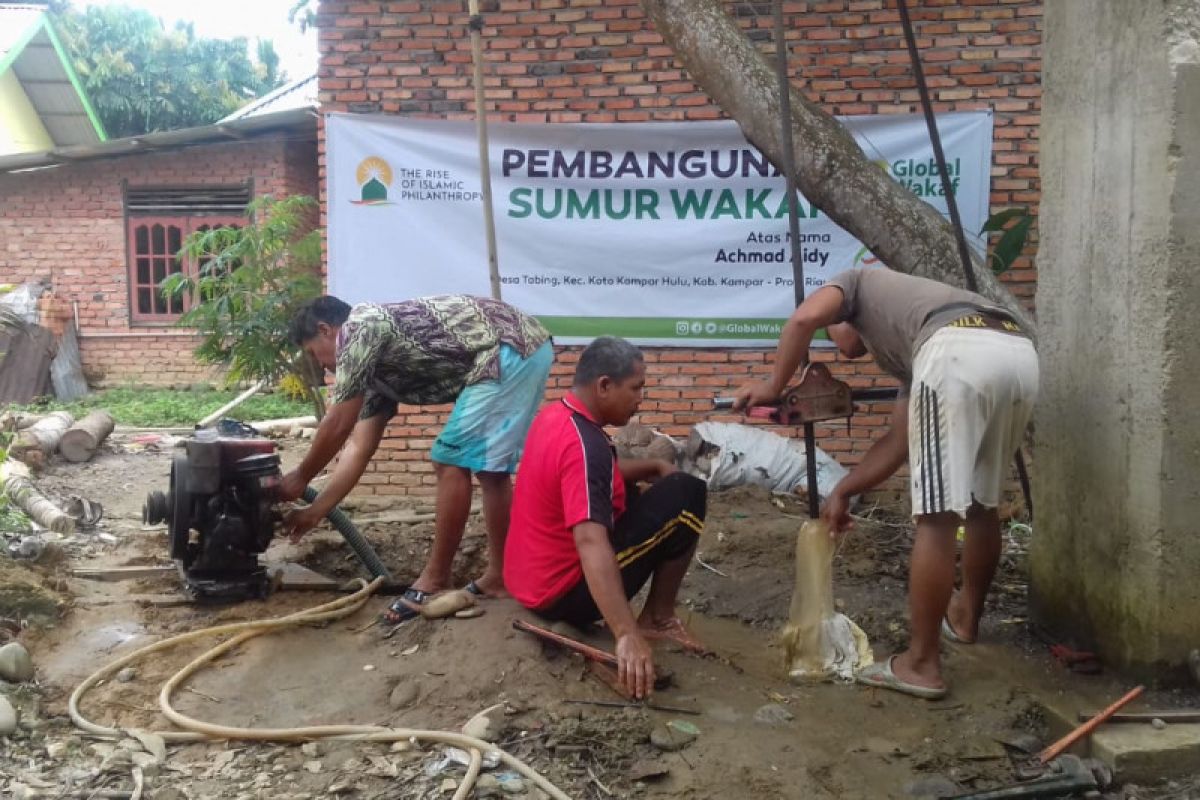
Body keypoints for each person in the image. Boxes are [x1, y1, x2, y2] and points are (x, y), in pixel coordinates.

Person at [735, 267, 1038, 700]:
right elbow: (898, 441)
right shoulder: (909, 329)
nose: (840, 351)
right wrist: (843, 489)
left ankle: (921, 665)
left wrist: (772, 385)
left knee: (935, 516)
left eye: (834, 335)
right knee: (980, 502)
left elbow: (801, 320)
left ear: (842, 316)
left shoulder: (854, 282)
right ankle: (965, 619)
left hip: (957, 353)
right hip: (1016, 348)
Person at [278, 294, 553, 623]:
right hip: (524, 347)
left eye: (313, 352)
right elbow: (358, 447)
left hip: (510, 347)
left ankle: (436, 579)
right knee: (490, 472)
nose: (321, 364)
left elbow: (337, 423)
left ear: (326, 330)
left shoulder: (358, 328)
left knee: (450, 460)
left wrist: (301, 476)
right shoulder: (373, 372)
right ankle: (500, 577)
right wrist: (315, 511)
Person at [504, 336, 707, 700]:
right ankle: (657, 620)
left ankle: (651, 617)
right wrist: (625, 634)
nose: (640, 398)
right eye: (636, 388)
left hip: (528, 581)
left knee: (639, 492)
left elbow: (601, 475)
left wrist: (653, 466)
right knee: (689, 493)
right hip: (561, 593)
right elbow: (590, 540)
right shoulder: (586, 446)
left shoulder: (558, 416)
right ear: (604, 386)